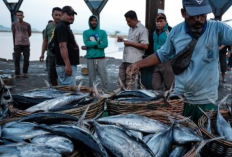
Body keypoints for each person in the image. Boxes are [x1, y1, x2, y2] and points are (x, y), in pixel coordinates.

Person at [126, 0, 232, 123]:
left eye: (202, 14)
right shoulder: (176, 32)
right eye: (194, 15)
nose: (199, 19)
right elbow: (161, 55)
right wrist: (138, 64)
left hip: (208, 101)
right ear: (183, 12)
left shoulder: (218, 28)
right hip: (182, 100)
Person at [117, 10, 149, 89]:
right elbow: (130, 42)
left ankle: (128, 99)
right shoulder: (131, 29)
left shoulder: (143, 29)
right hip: (125, 59)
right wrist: (123, 41)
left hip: (134, 61)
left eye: (129, 21)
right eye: (127, 22)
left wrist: (128, 43)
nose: (128, 24)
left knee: (130, 82)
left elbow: (145, 46)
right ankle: (121, 98)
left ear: (135, 19)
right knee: (120, 80)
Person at [53, 6, 79, 86]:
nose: (72, 17)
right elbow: (62, 46)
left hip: (67, 64)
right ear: (62, 14)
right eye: (69, 15)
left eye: (73, 15)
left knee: (67, 90)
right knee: (68, 92)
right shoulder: (62, 27)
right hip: (65, 65)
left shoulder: (65, 26)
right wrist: (67, 65)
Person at [83, 15, 108, 91]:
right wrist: (99, 42)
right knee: (91, 79)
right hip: (90, 58)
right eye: (92, 20)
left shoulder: (102, 32)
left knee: (104, 77)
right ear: (89, 22)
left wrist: (93, 44)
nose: (94, 22)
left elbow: (105, 44)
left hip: (101, 58)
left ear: (97, 21)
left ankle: (106, 92)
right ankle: (93, 93)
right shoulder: (85, 32)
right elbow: (87, 44)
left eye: (95, 20)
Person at [152, 13, 174, 90]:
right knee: (155, 86)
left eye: (161, 21)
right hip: (156, 61)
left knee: (169, 86)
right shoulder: (154, 32)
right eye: (157, 21)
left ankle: (171, 102)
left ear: (166, 21)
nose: (159, 23)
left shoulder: (170, 31)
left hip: (167, 62)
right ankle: (160, 101)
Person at [40, 7, 62, 86]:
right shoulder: (48, 26)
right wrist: (42, 54)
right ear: (52, 15)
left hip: (60, 56)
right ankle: (54, 92)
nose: (58, 17)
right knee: (51, 78)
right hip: (50, 55)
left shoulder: (64, 26)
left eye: (60, 15)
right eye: (56, 15)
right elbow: (45, 40)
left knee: (62, 77)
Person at [11, 10, 31, 78]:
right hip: (17, 44)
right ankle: (17, 74)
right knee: (16, 59)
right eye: (18, 15)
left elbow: (29, 34)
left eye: (20, 15)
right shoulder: (14, 24)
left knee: (26, 59)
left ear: (23, 16)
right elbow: (13, 32)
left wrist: (24, 37)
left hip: (26, 44)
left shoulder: (27, 25)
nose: (19, 16)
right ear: (16, 16)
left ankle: (25, 73)